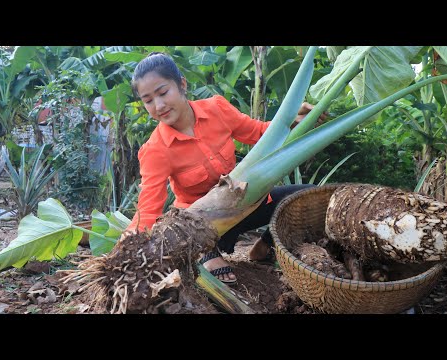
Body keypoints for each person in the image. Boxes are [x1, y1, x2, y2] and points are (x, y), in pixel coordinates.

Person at [123, 51, 326, 284]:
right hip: (199, 226)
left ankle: (264, 246)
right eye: (148, 100)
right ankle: (206, 254)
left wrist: (293, 119)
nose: (158, 105)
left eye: (163, 92)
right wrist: (127, 243)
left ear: (181, 84)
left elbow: (259, 133)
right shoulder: (155, 149)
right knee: (180, 224)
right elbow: (149, 208)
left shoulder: (217, 108)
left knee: (307, 196)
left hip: (243, 205)